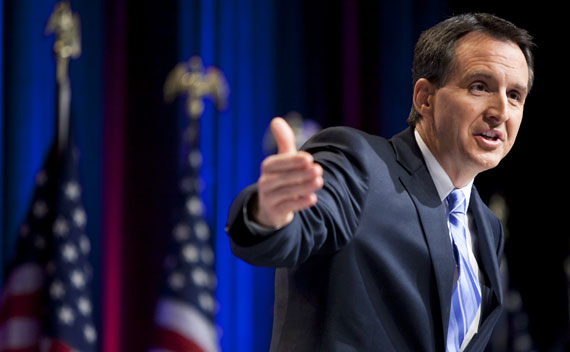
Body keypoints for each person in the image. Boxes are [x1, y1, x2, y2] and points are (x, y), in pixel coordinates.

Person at [226, 12, 534, 352]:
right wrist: (270, 214)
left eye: (515, 96)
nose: (501, 111)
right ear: (425, 99)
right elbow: (294, 229)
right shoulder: (360, 165)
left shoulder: (487, 227)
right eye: (480, 86)